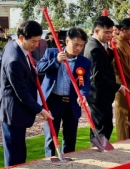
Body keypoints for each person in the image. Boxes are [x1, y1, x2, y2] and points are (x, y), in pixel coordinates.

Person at [0, 21, 53, 167]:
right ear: (21, 38)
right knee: (15, 153)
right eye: (33, 41)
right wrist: (41, 110)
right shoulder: (14, 61)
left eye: (38, 41)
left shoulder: (11, 45)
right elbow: (21, 92)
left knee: (19, 149)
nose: (36, 45)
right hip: (13, 110)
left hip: (17, 109)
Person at [36, 28, 91, 157]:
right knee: (51, 136)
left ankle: (69, 160)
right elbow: (39, 68)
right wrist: (56, 61)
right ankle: (50, 162)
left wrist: (83, 94)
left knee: (70, 137)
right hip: (53, 102)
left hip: (72, 103)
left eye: (81, 45)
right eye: (76, 44)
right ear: (67, 41)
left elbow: (85, 83)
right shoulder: (51, 53)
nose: (78, 48)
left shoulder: (84, 62)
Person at [83, 16, 127, 144]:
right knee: (102, 125)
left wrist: (111, 51)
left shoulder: (100, 45)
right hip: (98, 94)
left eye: (111, 32)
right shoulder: (94, 48)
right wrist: (118, 86)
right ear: (96, 31)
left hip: (102, 94)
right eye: (106, 32)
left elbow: (105, 61)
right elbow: (97, 76)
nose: (110, 35)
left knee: (104, 124)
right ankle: (98, 151)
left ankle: (99, 148)